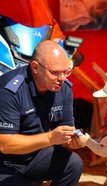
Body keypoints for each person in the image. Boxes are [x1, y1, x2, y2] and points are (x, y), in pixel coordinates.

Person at [0, 40, 83, 185]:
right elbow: (4, 145)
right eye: (55, 72)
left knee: (73, 163)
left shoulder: (64, 88)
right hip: (5, 163)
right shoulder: (9, 91)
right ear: (35, 67)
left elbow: (66, 132)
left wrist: (73, 141)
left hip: (36, 156)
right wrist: (51, 138)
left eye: (66, 71)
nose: (62, 78)